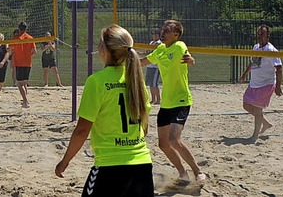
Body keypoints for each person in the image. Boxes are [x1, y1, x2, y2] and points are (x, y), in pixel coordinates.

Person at [55, 25, 153, 196]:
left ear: (104, 50)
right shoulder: (137, 80)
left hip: (109, 166)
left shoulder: (97, 81)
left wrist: (65, 161)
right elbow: (144, 129)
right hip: (142, 166)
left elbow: (82, 130)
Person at [140, 20, 206, 183]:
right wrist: (126, 54)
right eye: (163, 29)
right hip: (166, 104)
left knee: (173, 140)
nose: (163, 32)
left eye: (167, 30)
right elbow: (142, 62)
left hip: (181, 100)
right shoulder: (160, 49)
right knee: (163, 144)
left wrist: (191, 60)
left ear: (176, 35)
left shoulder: (179, 46)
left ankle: (197, 172)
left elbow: (187, 57)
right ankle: (183, 174)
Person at [238, 24, 283, 142]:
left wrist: (278, 87)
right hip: (254, 83)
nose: (259, 36)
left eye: (262, 33)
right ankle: (266, 124)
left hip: (266, 84)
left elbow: (279, 68)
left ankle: (254, 136)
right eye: (258, 33)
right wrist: (244, 75)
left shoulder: (271, 50)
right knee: (246, 105)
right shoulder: (256, 47)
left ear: (268, 35)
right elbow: (253, 62)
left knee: (258, 109)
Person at [9, 22, 36, 108]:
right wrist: (28, 56)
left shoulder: (16, 38)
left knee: (19, 84)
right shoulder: (30, 38)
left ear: (19, 28)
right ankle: (25, 100)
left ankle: (25, 101)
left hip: (19, 62)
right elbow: (34, 52)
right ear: (26, 28)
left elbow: (10, 49)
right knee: (24, 83)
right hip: (28, 63)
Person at [145, 29, 162, 105]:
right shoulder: (151, 42)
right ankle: (153, 99)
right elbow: (148, 52)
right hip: (149, 66)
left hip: (155, 67)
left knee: (154, 83)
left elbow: (152, 52)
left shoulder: (159, 43)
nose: (154, 36)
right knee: (150, 84)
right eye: (153, 34)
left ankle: (158, 99)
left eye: (156, 34)